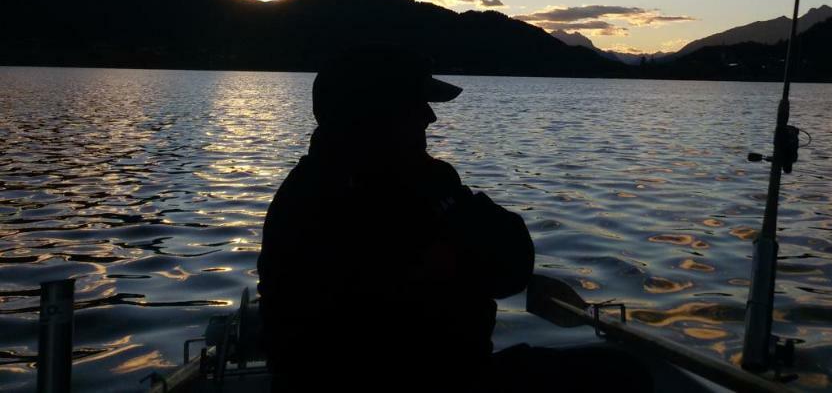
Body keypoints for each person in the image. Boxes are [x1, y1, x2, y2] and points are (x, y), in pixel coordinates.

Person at [258, 44, 652, 392]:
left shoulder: (305, 193)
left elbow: (512, 264)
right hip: (445, 381)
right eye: (418, 104)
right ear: (376, 112)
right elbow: (506, 270)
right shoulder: (410, 189)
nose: (431, 118)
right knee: (624, 375)